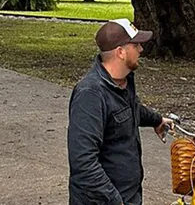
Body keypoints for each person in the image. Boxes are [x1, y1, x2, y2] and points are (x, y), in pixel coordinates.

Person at [68, 18, 174, 205]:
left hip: (128, 195)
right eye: (136, 45)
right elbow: (83, 162)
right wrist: (115, 200)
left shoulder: (122, 81)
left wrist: (157, 120)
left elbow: (129, 110)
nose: (141, 49)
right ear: (120, 52)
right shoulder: (90, 95)